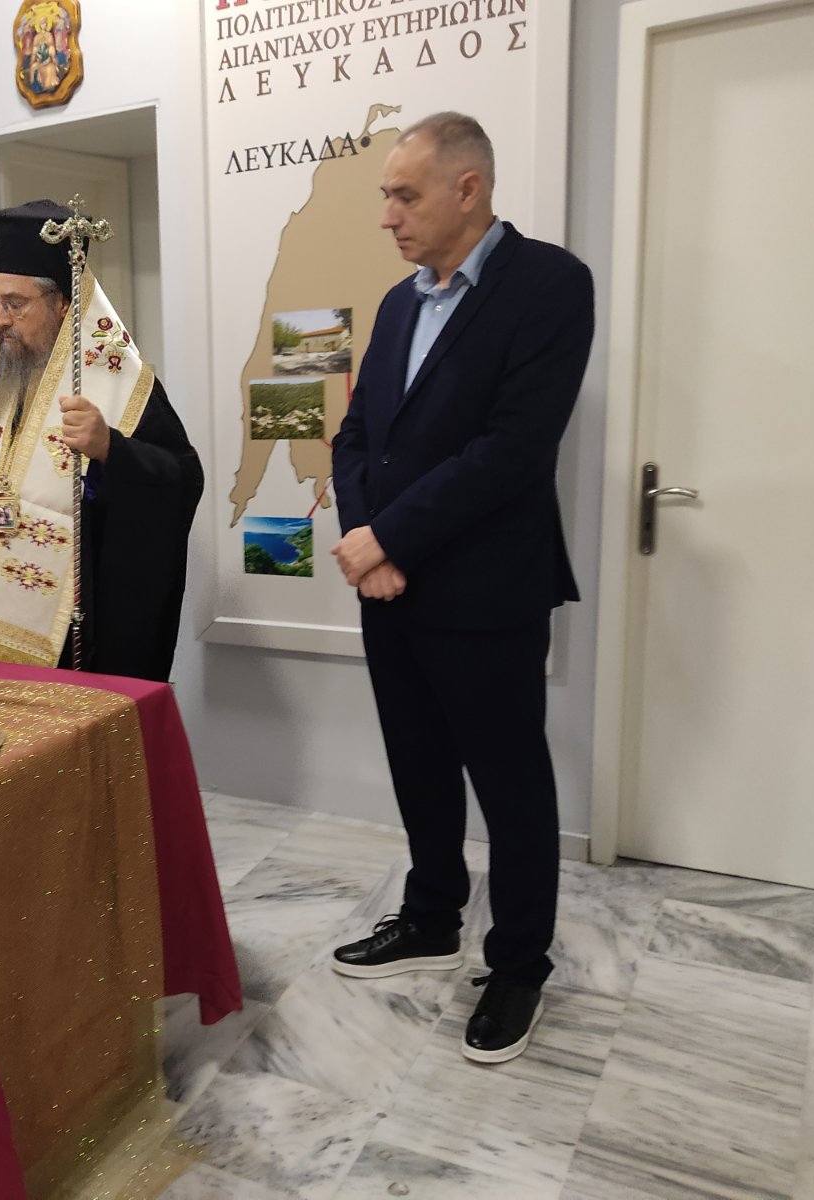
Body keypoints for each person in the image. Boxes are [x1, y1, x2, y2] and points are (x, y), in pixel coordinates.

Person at [325, 114, 595, 1063]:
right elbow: (357, 438)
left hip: (487, 593)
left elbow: (512, 450)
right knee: (419, 763)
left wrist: (388, 536)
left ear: (467, 188)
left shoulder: (550, 284)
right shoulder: (399, 304)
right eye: (387, 196)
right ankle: (432, 915)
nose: (388, 215)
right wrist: (368, 544)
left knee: (510, 782)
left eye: (405, 195)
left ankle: (518, 963)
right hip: (390, 590)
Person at [0, 199, 202, 681]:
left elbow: (182, 480)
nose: (0, 320)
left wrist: (111, 450)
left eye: (16, 304)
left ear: (64, 304)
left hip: (64, 636)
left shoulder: (124, 390)